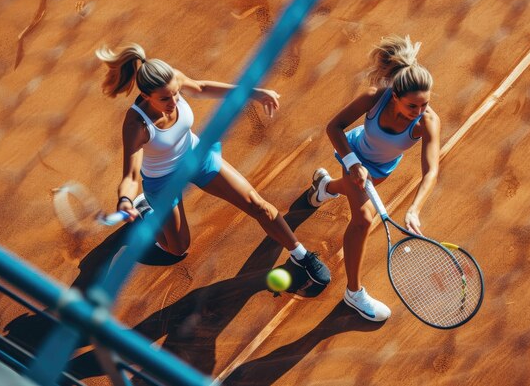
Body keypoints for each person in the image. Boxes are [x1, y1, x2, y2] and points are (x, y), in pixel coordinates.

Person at [95, 43, 330, 286]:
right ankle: (146, 211)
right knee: (177, 249)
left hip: (197, 157)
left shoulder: (172, 79)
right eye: (165, 98)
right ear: (145, 96)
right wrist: (125, 200)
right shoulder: (137, 125)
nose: (174, 101)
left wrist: (253, 92)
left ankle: (301, 255)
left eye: (176, 94)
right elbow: (131, 176)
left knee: (257, 205)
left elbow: (201, 87)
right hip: (163, 181)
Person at [306, 35, 440, 320]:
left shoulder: (428, 122)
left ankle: (325, 187)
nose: (419, 112)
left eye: (425, 104)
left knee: (348, 192)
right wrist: (352, 162)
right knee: (364, 219)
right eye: (412, 106)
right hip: (353, 153)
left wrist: (414, 209)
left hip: (380, 170)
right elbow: (334, 127)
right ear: (394, 97)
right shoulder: (373, 98)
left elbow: (431, 170)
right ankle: (354, 293)